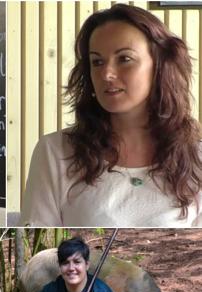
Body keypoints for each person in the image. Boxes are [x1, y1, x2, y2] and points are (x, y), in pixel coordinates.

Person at [20, 4, 202, 227]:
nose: (106, 74)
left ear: (160, 66)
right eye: (97, 62)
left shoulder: (196, 157)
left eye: (125, 59)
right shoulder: (55, 151)